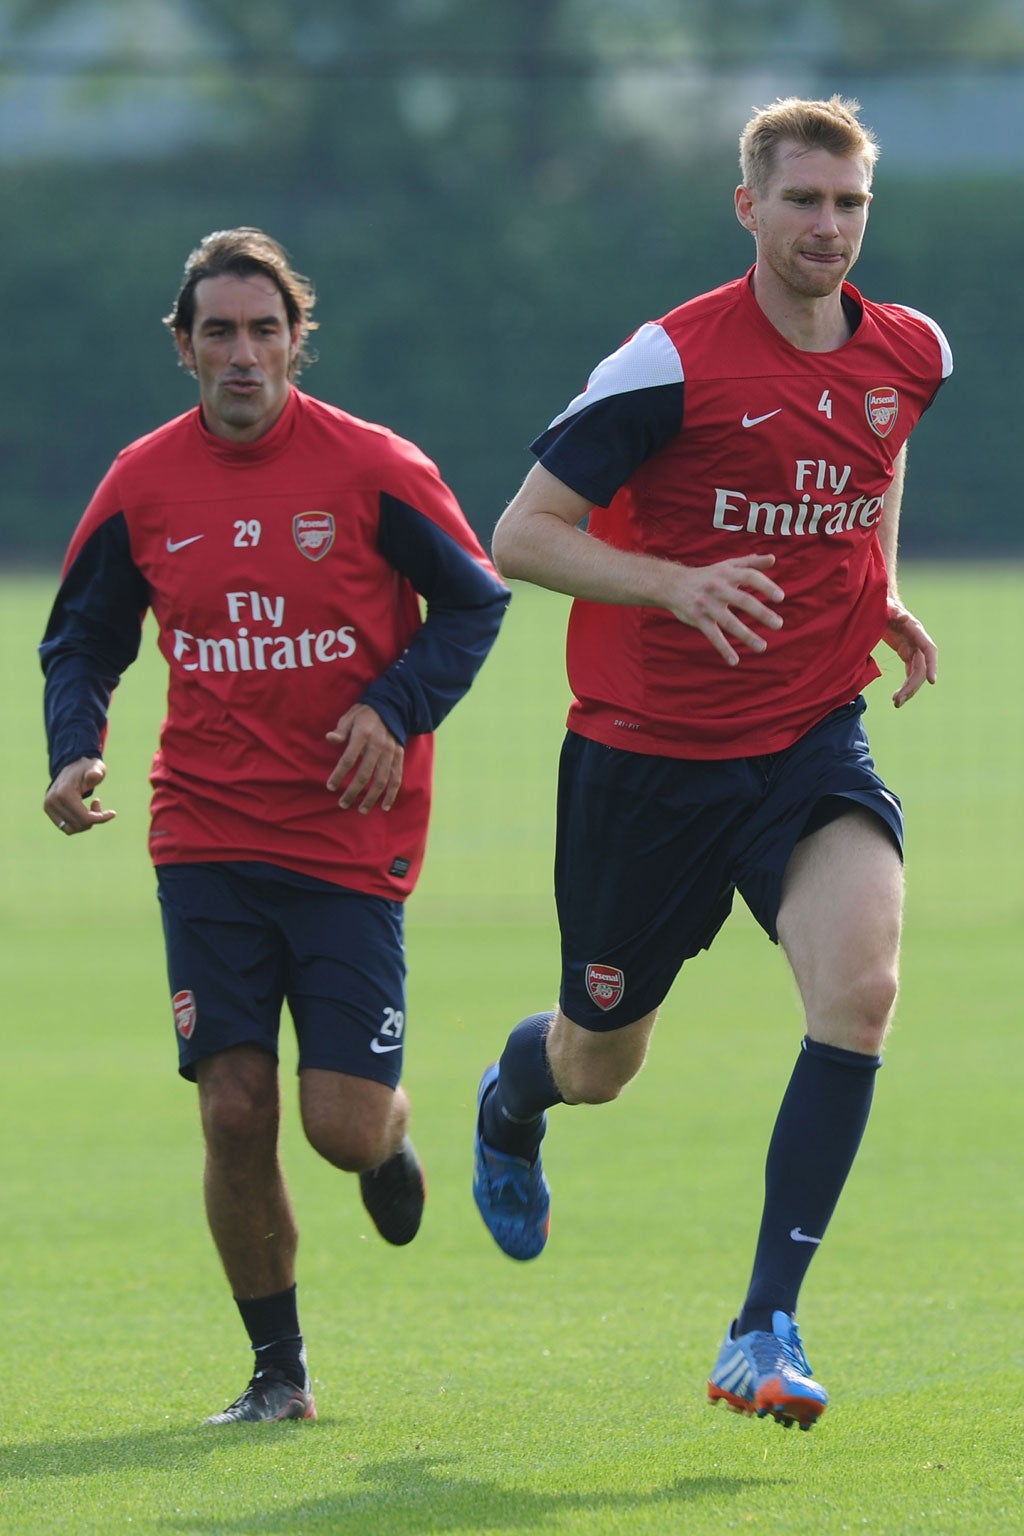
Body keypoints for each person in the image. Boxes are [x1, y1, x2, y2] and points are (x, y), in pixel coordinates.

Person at [472, 96, 951, 1430]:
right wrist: (672, 586)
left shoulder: (908, 351)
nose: (829, 228)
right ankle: (514, 1100)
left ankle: (763, 1325)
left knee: (860, 991)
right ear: (748, 207)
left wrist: (881, 587)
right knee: (600, 1059)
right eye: (802, 200)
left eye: (850, 204)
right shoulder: (666, 367)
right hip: (648, 758)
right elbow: (519, 535)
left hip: (809, 736)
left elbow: (877, 458)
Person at [41, 227, 510, 1425]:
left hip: (351, 834)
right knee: (234, 1107)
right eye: (218, 333)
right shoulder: (144, 482)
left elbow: (473, 601)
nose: (242, 354)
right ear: (184, 348)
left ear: (298, 340)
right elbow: (85, 633)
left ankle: (392, 1132)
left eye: (264, 331)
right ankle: (277, 1375)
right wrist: (75, 744)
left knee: (339, 1127)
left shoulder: (372, 467)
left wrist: (393, 707)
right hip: (202, 830)